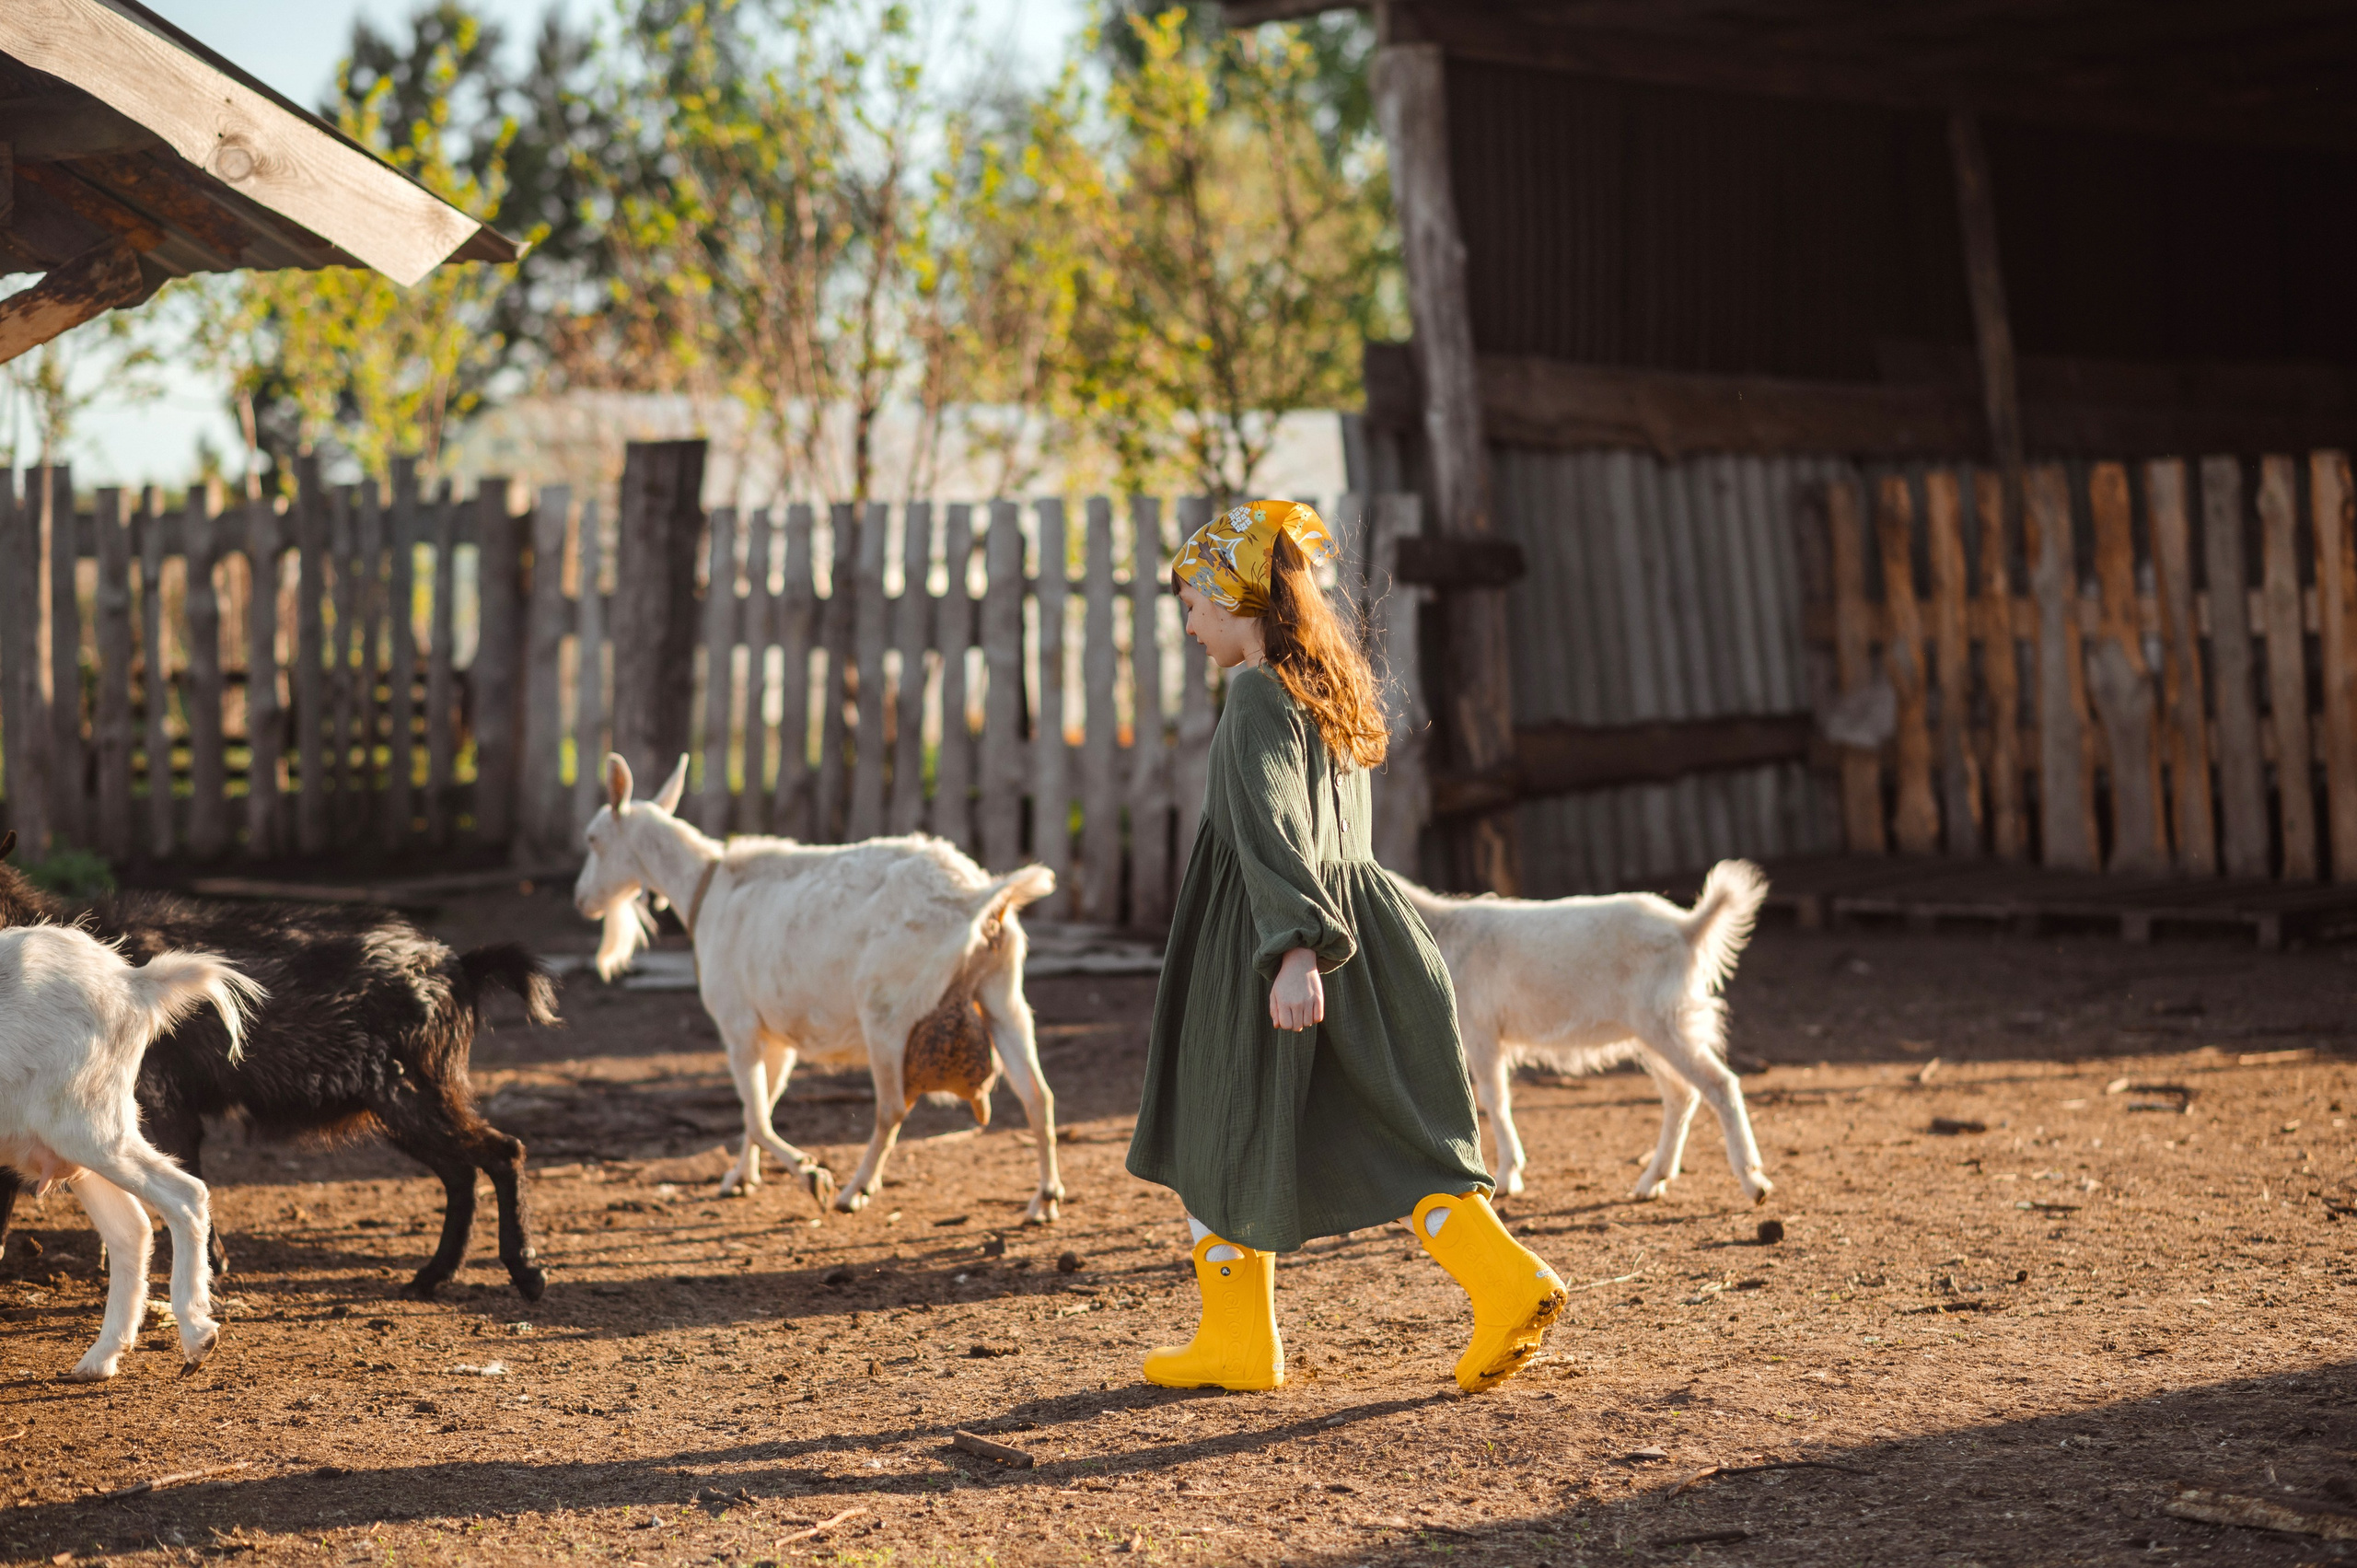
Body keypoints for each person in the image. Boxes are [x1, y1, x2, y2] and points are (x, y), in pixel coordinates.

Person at [1125, 499, 1567, 1395]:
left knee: (1217, 1126)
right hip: (1361, 932)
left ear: (1237, 597)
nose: (1188, 621)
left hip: (1266, 947)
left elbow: (1274, 825)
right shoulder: (1319, 683)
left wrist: (1289, 948)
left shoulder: (1252, 691)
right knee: (1401, 1130)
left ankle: (1239, 1338)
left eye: (1194, 602)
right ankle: (1503, 1279)